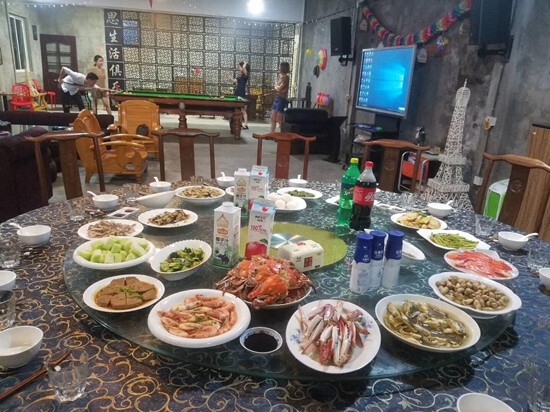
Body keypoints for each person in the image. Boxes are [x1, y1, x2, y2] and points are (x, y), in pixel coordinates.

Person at [271, 61, 290, 133]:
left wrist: (277, 88)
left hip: (282, 99)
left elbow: (279, 88)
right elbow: (277, 87)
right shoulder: (280, 76)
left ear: (283, 68)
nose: (279, 68)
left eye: (280, 67)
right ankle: (272, 133)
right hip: (277, 98)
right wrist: (277, 88)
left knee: (279, 119)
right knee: (273, 117)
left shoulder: (286, 77)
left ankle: (282, 134)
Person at [231, 61, 250, 129]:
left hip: (242, 93)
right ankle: (240, 123)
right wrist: (228, 75)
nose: (238, 68)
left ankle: (246, 125)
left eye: (239, 67)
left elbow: (244, 68)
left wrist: (245, 63)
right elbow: (234, 81)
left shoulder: (245, 74)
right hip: (237, 93)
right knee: (239, 109)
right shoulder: (240, 76)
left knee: (243, 110)